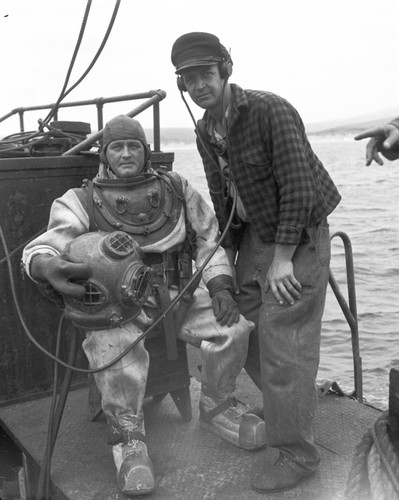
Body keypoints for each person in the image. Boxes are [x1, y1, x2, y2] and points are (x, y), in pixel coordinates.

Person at [21, 115, 266, 497]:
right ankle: (129, 438)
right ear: (104, 154)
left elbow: (208, 238)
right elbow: (46, 244)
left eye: (133, 146)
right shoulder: (82, 200)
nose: (125, 153)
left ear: (145, 150)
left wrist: (219, 287)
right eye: (116, 147)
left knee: (233, 331)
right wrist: (45, 264)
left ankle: (217, 406)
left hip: (180, 293)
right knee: (112, 348)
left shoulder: (176, 188)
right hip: (123, 304)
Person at [171, 32, 342, 493]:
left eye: (205, 73)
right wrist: (225, 263)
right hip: (255, 236)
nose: (199, 85)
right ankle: (289, 404)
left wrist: (282, 261)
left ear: (225, 69)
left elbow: (300, 189)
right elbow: (223, 201)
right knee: (240, 320)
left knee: (285, 336)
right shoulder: (206, 130)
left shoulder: (270, 110)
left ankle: (296, 454)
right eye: (189, 78)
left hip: (298, 234)